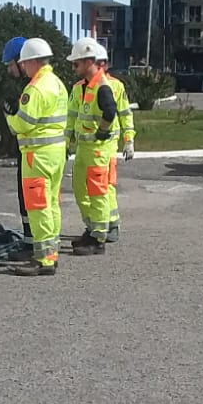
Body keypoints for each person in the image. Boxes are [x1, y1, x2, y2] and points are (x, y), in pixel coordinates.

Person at [2, 36, 69, 276]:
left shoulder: (35, 88)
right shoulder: (57, 83)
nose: (23, 67)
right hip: (56, 153)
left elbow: (23, 124)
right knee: (51, 204)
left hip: (37, 156)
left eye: (23, 62)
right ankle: (51, 253)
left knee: (38, 207)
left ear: (31, 62)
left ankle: (43, 260)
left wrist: (9, 117)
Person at [65, 39, 119, 256]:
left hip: (97, 150)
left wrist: (101, 131)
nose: (74, 68)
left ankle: (98, 239)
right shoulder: (87, 85)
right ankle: (91, 229)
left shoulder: (101, 86)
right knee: (81, 190)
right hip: (84, 149)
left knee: (98, 194)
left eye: (76, 63)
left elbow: (110, 111)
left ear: (89, 61)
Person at [98, 52, 136, 244]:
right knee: (90, 189)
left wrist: (128, 140)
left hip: (107, 145)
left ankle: (112, 223)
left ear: (105, 65)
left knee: (106, 186)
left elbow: (125, 114)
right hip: (86, 145)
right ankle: (95, 225)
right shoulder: (80, 86)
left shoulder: (116, 86)